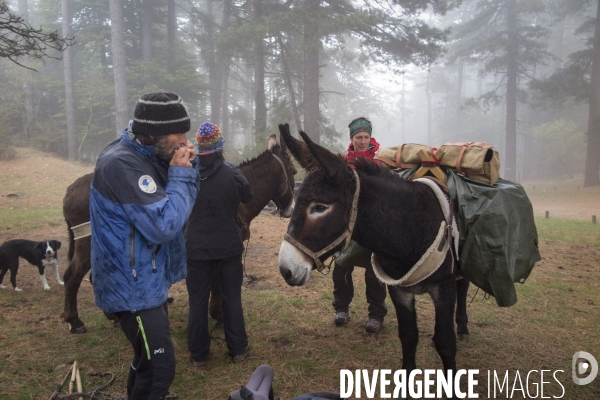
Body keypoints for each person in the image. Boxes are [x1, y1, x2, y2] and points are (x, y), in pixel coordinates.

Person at [89, 93, 199, 399]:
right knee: (160, 367)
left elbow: (183, 201)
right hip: (131, 286)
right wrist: (181, 173)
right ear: (154, 134)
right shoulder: (122, 164)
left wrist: (188, 165)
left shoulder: (148, 155)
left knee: (146, 360)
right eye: (179, 134)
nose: (184, 140)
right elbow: (164, 225)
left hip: (145, 280)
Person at [184, 121, 253, 366]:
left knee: (197, 301)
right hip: (229, 248)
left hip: (195, 248)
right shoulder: (233, 173)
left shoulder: (188, 173)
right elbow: (248, 196)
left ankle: (198, 354)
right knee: (231, 298)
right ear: (220, 147)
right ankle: (238, 350)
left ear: (200, 147)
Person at [332, 117, 388, 333]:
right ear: (352, 138)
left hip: (374, 224)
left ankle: (376, 315)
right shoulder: (344, 162)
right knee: (342, 267)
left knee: (374, 272)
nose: (363, 141)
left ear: (370, 137)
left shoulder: (381, 162)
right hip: (349, 225)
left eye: (366, 137)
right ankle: (342, 309)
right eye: (358, 137)